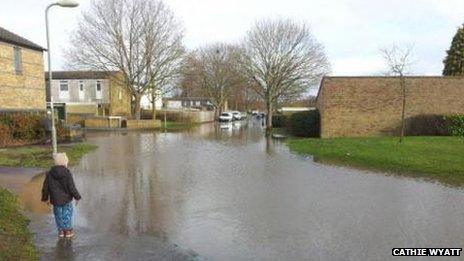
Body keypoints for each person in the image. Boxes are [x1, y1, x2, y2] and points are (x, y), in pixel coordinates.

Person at [41, 153, 81, 238]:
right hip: (67, 199)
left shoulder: (49, 173)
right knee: (67, 214)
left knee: (58, 215)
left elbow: (45, 187)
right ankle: (68, 231)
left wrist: (45, 198)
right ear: (65, 163)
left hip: (55, 200)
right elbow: (71, 187)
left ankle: (61, 231)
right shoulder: (67, 173)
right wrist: (77, 197)